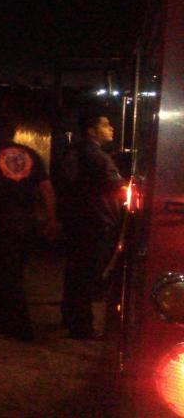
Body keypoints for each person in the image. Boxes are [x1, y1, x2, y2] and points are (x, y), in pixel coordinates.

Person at [0, 115, 57, 341]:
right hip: (27, 222)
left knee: (6, 272)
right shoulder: (31, 154)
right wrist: (51, 218)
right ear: (14, 132)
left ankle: (18, 325)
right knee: (15, 271)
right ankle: (3, 311)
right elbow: (46, 189)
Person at [58, 113, 124, 339]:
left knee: (75, 272)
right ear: (91, 130)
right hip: (97, 222)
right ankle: (82, 327)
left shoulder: (74, 152)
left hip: (79, 221)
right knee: (88, 276)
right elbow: (117, 185)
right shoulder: (96, 157)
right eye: (105, 125)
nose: (111, 129)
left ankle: (70, 317)